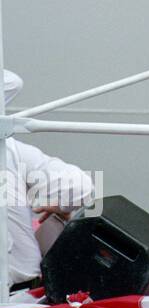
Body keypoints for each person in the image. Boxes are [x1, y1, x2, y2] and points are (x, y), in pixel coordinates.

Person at [3, 70, 97, 292]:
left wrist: (60, 202)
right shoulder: (9, 150)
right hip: (23, 295)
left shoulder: (8, 149)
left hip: (22, 297)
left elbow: (80, 187)